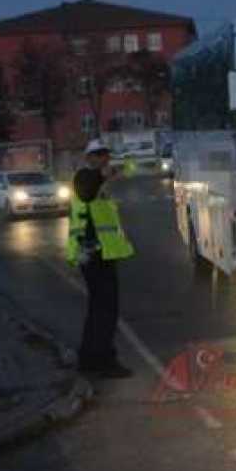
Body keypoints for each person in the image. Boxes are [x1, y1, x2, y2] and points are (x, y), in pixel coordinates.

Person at [66, 139, 136, 378]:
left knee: (99, 310)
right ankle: (103, 360)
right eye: (98, 155)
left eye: (106, 154)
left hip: (101, 254)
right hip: (93, 254)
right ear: (89, 158)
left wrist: (112, 173)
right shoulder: (84, 177)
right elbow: (86, 192)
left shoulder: (96, 180)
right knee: (105, 311)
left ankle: (89, 358)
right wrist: (103, 176)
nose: (104, 158)